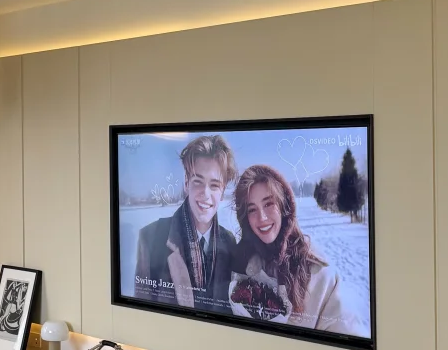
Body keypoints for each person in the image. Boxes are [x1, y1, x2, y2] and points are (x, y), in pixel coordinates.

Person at [229, 164, 353, 334]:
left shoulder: (320, 274)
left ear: (284, 206)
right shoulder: (242, 263)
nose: (262, 217)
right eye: (252, 209)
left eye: (268, 204)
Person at [134, 135, 238, 312]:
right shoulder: (151, 238)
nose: (205, 194)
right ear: (186, 182)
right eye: (198, 181)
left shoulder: (229, 242)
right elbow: (140, 313)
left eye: (214, 185)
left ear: (222, 191)